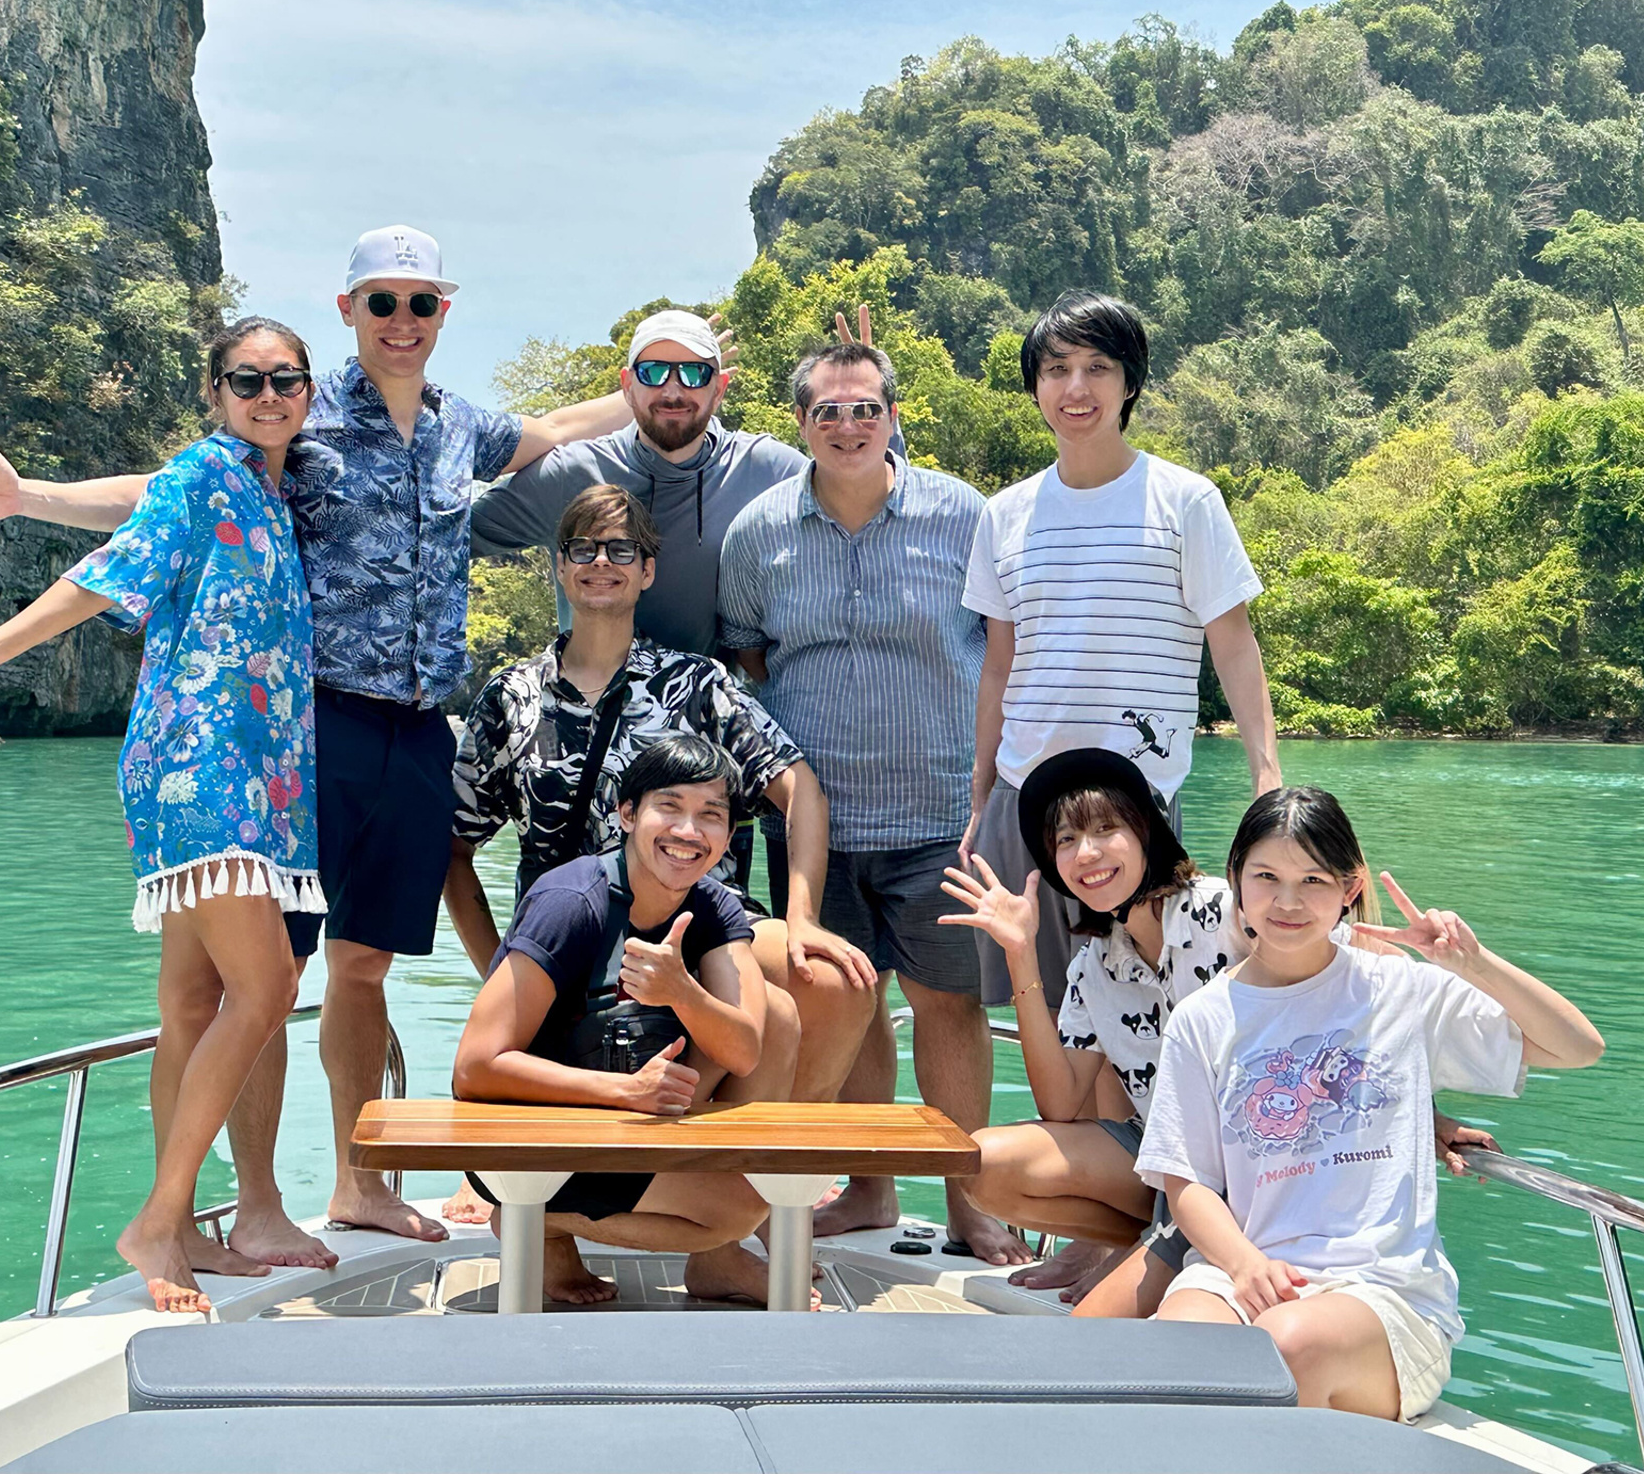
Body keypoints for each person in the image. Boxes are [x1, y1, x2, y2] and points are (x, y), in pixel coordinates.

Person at [0, 225, 637, 1259]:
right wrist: (28, 501)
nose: (402, 320)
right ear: (349, 312)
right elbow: (157, 498)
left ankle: (356, 1186)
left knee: (361, 966)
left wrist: (655, 380)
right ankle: (245, 1205)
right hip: (303, 728)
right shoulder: (296, 416)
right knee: (263, 978)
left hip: (416, 723)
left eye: (420, 302)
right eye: (381, 301)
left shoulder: (458, 427)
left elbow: (553, 428)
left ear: (442, 311)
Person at [0, 318, 326, 1310]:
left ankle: (191, 1226)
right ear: (214, 393)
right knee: (266, 989)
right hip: (201, 767)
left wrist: (29, 494)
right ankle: (158, 1221)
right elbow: (98, 575)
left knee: (193, 1005)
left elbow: (131, 497)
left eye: (285, 380)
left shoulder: (273, 486)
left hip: (265, 777)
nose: (267, 395)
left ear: (307, 391)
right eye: (246, 380)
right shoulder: (202, 476)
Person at [442, 483, 875, 1222]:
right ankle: (574, 1213)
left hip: (704, 922)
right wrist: (501, 965)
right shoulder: (510, 697)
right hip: (575, 934)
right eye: (583, 548)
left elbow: (800, 789)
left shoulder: (697, 684)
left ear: (648, 570)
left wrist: (803, 916)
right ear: (559, 565)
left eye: (622, 550)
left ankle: (760, 1200)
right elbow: (455, 846)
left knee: (832, 982)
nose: (601, 563)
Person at [943, 751, 1498, 1308]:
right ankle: (1133, 1243)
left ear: (1147, 833)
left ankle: (1152, 1252)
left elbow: (1360, 977)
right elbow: (1060, 1103)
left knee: (1098, 1329)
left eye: (1106, 829)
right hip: (1175, 1169)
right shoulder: (1095, 967)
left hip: (1268, 1164)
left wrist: (1422, 1112)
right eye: (1065, 840)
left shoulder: (1232, 910)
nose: (1086, 853)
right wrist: (1020, 953)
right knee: (985, 1165)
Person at [1139, 788, 1604, 1421]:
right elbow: (1186, 1179)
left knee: (1282, 1348)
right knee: (1176, 1353)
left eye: (1313, 880)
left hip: (1385, 1291)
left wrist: (1473, 964)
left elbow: (1578, 1047)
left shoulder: (1400, 991)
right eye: (1266, 877)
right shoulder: (1201, 1019)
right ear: (1236, 880)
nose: (1288, 901)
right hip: (1242, 1270)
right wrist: (1246, 1266)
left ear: (1350, 888)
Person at [718, 340, 1024, 1265]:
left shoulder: (961, 514)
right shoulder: (759, 532)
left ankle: (971, 1201)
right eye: (828, 411)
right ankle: (868, 1188)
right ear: (800, 423)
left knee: (949, 1005)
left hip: (942, 815)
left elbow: (1000, 647)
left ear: (893, 415)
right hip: (814, 825)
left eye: (865, 409)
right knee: (849, 1005)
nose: (847, 426)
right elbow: (749, 653)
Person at [960, 291, 1281, 1037]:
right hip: (1026, 799)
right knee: (1042, 1012)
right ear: (1035, 386)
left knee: (1154, 1009)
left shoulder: (1185, 501)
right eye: (1056, 369)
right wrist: (980, 795)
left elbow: (1233, 643)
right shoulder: (1004, 514)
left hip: (1138, 802)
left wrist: (1266, 777)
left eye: (1098, 367)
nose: (1076, 388)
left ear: (1130, 381)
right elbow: (999, 665)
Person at [450, 738, 802, 1305]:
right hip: (528, 1132)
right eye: (670, 806)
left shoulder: (712, 906)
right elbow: (473, 1068)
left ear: (728, 833)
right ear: (628, 813)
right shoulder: (571, 903)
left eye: (711, 815)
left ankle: (703, 1257)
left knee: (776, 1013)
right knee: (735, 1209)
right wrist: (624, 1092)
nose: (688, 831)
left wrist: (682, 992)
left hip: (625, 1113)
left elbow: (745, 1052)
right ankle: (532, 1217)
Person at [470, 308, 808, 658]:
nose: (673, 391)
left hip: (713, 693)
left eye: (694, 373)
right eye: (653, 372)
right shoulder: (570, 474)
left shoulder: (768, 470)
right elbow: (448, 535)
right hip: (587, 691)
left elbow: (845, 519)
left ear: (719, 388)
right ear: (627, 387)